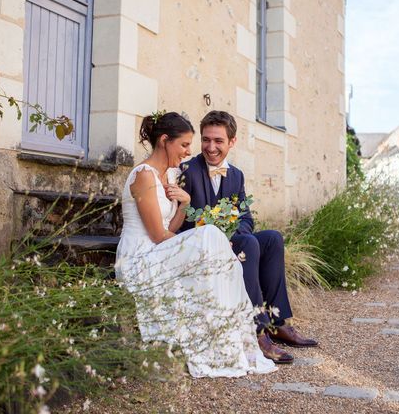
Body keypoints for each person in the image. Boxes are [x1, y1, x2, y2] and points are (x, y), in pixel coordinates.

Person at [115, 111, 276, 378]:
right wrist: (208, 250)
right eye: (185, 145)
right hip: (139, 258)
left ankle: (231, 342)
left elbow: (170, 229)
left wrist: (186, 203)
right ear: (165, 140)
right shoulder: (143, 175)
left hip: (158, 250)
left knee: (213, 242)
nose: (189, 152)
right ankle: (228, 343)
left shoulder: (166, 176)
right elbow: (157, 235)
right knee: (211, 237)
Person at [180, 110, 318, 365]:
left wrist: (231, 235)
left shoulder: (236, 175)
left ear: (232, 142)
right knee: (250, 243)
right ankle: (257, 330)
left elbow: (246, 218)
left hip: (233, 241)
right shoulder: (187, 170)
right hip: (199, 246)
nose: (211, 147)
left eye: (218, 141)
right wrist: (219, 236)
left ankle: (278, 323)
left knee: (273, 238)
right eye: (206, 140)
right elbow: (181, 221)